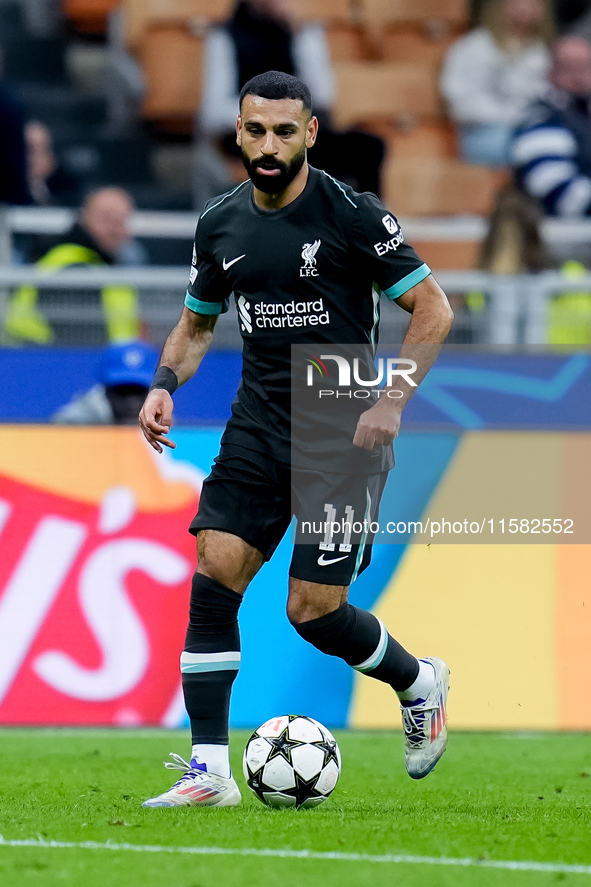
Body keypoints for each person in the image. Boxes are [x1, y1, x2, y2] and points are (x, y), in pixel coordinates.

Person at [139, 71, 453, 809]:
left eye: (285, 130)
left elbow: (432, 309)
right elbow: (197, 322)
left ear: (309, 133)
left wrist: (392, 398)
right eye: (256, 130)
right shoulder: (219, 222)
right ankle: (209, 770)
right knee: (214, 572)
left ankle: (417, 681)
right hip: (257, 417)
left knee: (311, 610)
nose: (269, 144)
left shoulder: (351, 214)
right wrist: (163, 383)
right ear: (239, 133)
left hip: (339, 415)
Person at [193, 0, 383, 210]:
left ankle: (370, 233)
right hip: (249, 138)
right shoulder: (224, 37)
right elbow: (213, 113)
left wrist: (303, 36)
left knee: (368, 148)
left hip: (293, 133)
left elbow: (322, 96)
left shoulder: (296, 35)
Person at [4, 187, 141, 346]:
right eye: (107, 219)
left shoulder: (101, 263)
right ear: (84, 217)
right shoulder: (74, 266)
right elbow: (79, 339)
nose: (115, 229)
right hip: (55, 362)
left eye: (121, 220)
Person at [441, 0, 554, 166]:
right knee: (542, 151)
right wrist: (516, 119)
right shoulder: (475, 46)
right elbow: (463, 104)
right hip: (486, 133)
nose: (525, 7)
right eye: (516, 2)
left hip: (533, 128)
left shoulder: (542, 49)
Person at [512, 35, 591, 215]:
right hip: (562, 235)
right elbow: (560, 194)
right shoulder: (541, 118)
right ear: (550, 72)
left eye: (585, 66)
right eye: (568, 67)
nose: (579, 76)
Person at [52, 340, 158, 425]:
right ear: (106, 390)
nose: (131, 402)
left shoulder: (160, 422)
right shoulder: (75, 422)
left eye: (139, 392)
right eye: (123, 391)